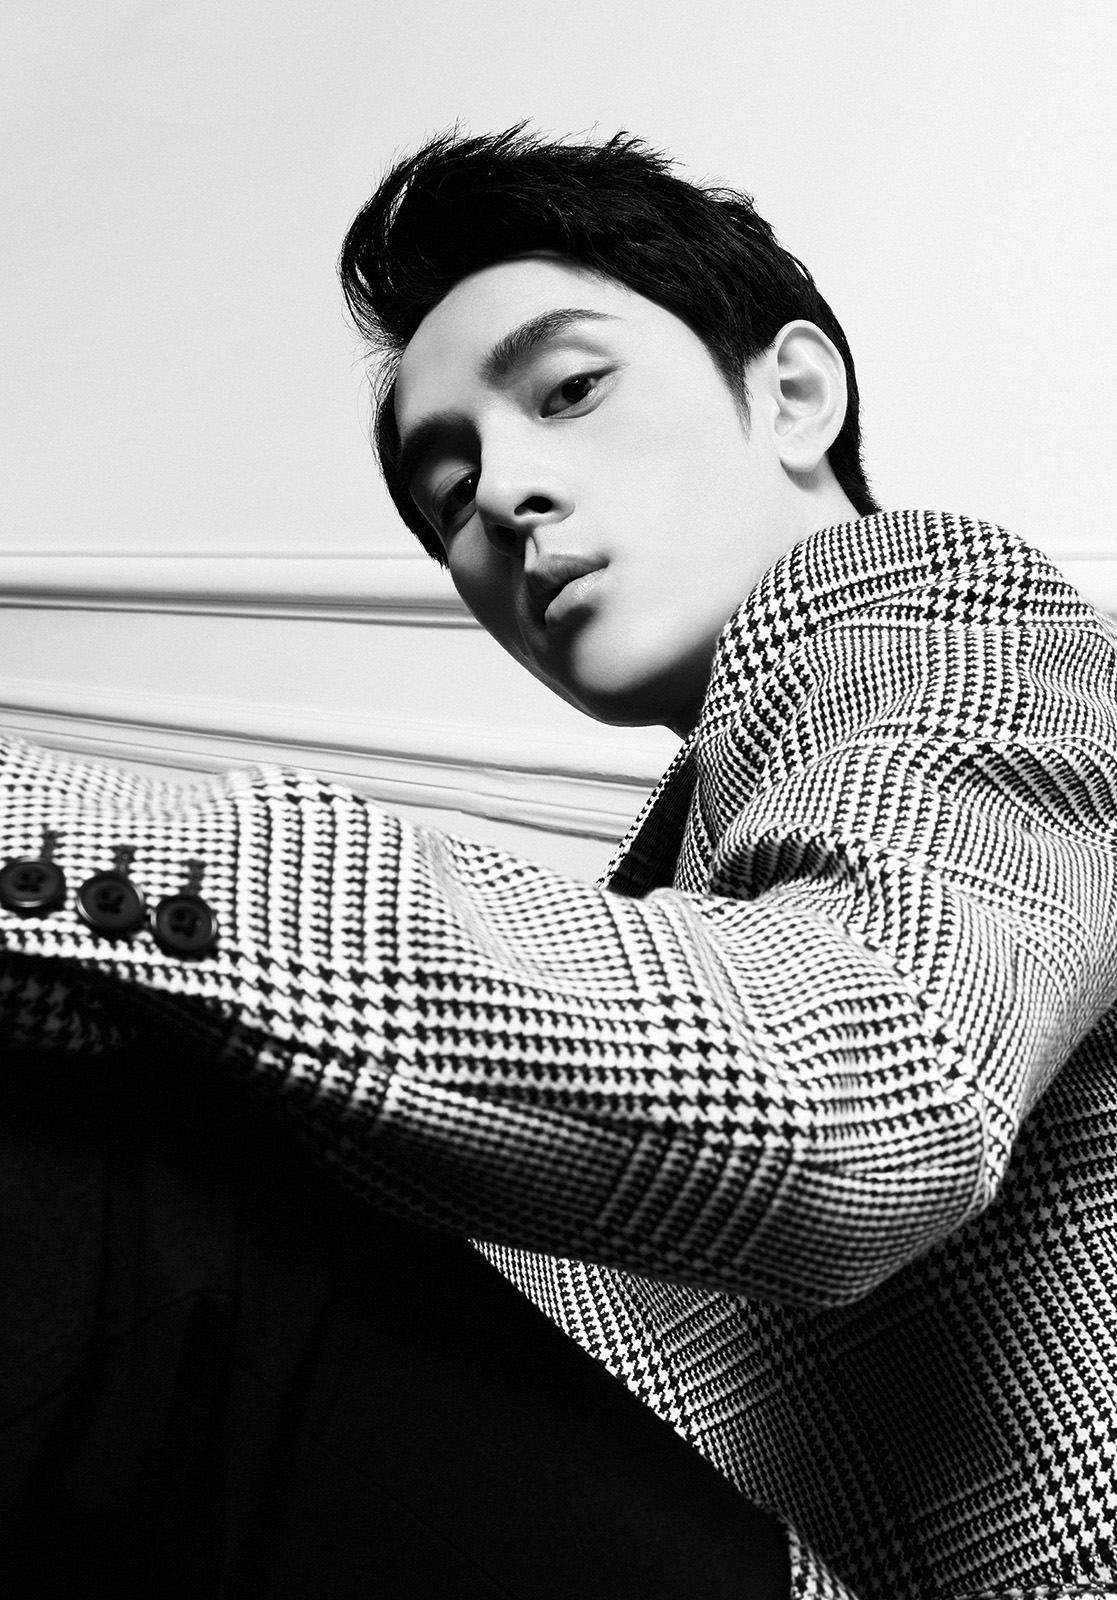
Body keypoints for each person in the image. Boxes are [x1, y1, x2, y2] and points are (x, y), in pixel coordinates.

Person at [1, 126, 1116, 1600]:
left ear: (793, 394)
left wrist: (47, 842)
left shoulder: (971, 637)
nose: (506, 498)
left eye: (570, 391)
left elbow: (868, 1097)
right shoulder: (667, 894)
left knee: (119, 1210)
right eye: (448, 491)